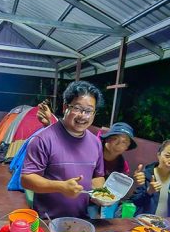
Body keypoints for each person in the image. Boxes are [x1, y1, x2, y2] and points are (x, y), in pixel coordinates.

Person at [21, 80, 108, 219]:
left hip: (81, 219)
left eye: (89, 111)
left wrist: (100, 195)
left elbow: (98, 177)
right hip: (48, 222)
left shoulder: (96, 143)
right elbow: (26, 179)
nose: (83, 115)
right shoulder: (42, 139)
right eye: (77, 108)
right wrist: (60, 186)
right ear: (65, 107)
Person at [128, 140, 170, 217]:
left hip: (165, 224)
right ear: (159, 155)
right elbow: (136, 202)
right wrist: (149, 192)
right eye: (167, 156)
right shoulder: (146, 175)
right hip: (145, 222)